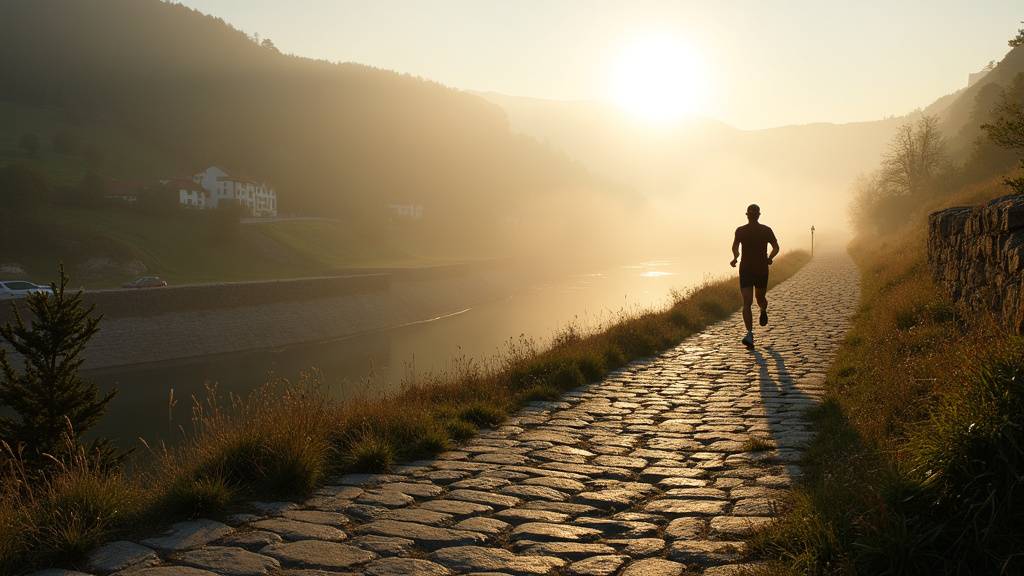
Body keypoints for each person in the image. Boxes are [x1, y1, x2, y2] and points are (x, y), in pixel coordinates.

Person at [730, 204, 779, 348]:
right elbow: (776, 248)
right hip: (758, 269)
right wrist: (770, 257)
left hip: (751, 269)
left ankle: (761, 313)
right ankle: (749, 334)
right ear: (759, 215)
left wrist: (735, 258)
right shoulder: (764, 230)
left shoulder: (742, 230)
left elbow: (735, 248)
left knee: (754, 300)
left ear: (748, 215)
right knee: (750, 301)